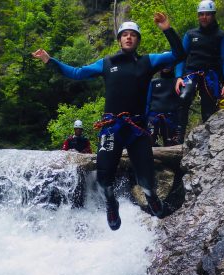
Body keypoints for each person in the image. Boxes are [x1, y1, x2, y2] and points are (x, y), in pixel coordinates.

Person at [32, 12, 185, 230]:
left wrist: (167, 29)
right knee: (104, 178)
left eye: (133, 35)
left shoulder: (148, 61)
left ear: (137, 40)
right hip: (112, 128)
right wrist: (50, 60)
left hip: (136, 129)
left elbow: (179, 54)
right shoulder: (107, 63)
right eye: (125, 35)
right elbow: (77, 73)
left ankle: (152, 197)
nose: (129, 37)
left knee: (147, 180)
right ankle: (111, 203)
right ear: (120, 39)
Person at [174, 0, 224, 143]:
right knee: (184, 96)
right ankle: (179, 137)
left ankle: (208, 138)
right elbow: (181, 57)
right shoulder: (190, 34)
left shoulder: (221, 36)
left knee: (208, 107)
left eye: (207, 14)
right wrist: (178, 77)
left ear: (213, 16)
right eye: (201, 14)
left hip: (210, 74)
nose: (204, 17)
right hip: (191, 73)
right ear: (198, 16)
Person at [146, 66, 181, 146]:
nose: (166, 67)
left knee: (171, 143)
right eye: (164, 64)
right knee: (149, 143)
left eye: (169, 64)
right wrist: (145, 116)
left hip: (171, 117)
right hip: (153, 117)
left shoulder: (177, 81)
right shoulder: (153, 82)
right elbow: (147, 101)